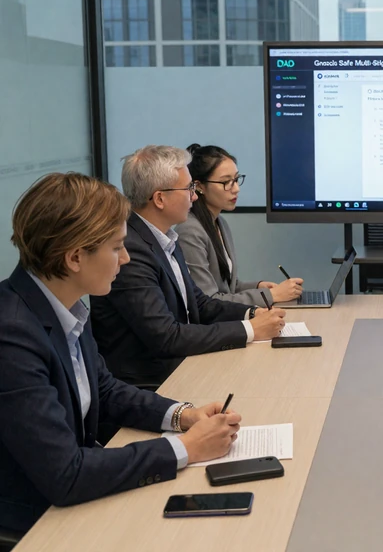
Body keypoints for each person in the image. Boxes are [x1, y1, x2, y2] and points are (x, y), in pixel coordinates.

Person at [0, 173, 242, 535]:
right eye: (116, 247)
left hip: (76, 494)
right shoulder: (12, 334)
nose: (126, 259)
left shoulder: (59, 307)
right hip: (37, 521)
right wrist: (186, 449)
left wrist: (183, 415)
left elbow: (107, 390)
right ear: (75, 257)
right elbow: (66, 474)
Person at [90, 145, 286, 386]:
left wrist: (252, 313)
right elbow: (167, 336)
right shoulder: (131, 252)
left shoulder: (164, 238)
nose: (194, 196)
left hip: (180, 369)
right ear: (160, 198)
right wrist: (250, 329)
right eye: (189, 188)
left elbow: (200, 304)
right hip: (152, 385)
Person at [175, 143, 303, 307]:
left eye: (236, 179)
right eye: (226, 182)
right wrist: (271, 295)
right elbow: (209, 301)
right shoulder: (190, 231)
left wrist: (258, 286)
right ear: (199, 187)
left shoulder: (220, 223)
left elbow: (228, 287)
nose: (236, 189)